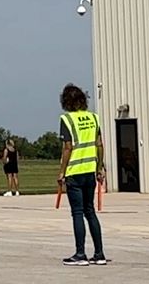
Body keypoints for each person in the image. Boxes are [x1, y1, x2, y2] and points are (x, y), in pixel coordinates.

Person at [57, 83, 107, 266]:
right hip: (90, 172)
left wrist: (62, 171)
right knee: (90, 211)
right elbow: (99, 144)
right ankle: (99, 253)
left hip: (75, 172)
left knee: (77, 212)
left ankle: (80, 254)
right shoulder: (94, 118)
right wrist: (99, 168)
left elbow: (67, 148)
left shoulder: (67, 120)